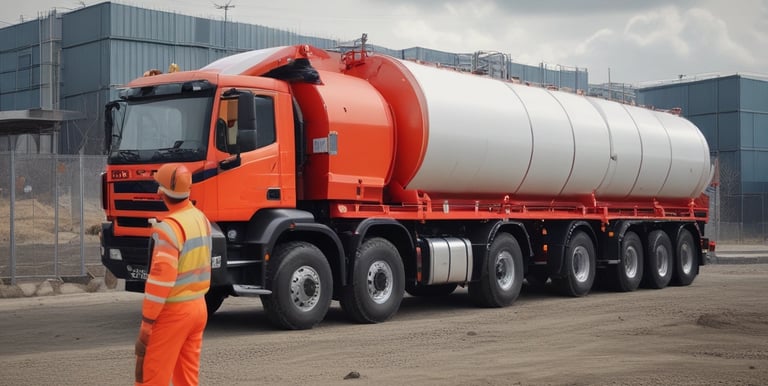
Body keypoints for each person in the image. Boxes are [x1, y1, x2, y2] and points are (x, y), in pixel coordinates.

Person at [135, 163, 212, 386]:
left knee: (151, 378)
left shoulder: (169, 229)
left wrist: (147, 323)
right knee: (186, 379)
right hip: (198, 307)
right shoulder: (201, 219)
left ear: (161, 192)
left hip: (174, 312)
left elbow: (160, 283)